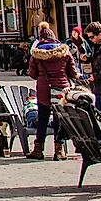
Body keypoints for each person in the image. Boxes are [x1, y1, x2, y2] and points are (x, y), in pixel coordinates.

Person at [26, 25, 75, 160]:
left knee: (43, 118)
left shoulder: (36, 54)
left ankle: (38, 149)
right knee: (60, 118)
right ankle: (59, 150)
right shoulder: (65, 52)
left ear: (41, 38)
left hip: (44, 89)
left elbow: (32, 73)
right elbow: (73, 72)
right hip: (61, 89)